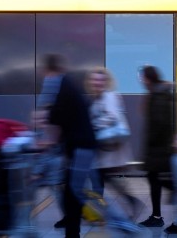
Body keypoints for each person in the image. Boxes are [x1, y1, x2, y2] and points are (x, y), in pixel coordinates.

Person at [42, 54, 98, 238]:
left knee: (74, 192)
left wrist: (46, 132)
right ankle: (72, 232)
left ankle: (119, 222)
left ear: (49, 70)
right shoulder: (67, 83)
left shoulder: (58, 83)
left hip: (81, 146)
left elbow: (54, 115)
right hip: (79, 146)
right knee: (71, 193)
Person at [85, 67, 144, 220]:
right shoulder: (97, 98)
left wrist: (93, 125)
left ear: (106, 82)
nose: (97, 83)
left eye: (101, 80)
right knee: (105, 179)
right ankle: (128, 204)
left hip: (111, 148)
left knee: (101, 178)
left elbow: (112, 117)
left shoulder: (109, 96)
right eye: (95, 80)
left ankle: (110, 211)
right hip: (106, 148)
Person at [138, 65, 176, 227]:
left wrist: (151, 144)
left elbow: (160, 124)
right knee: (156, 180)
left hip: (159, 149)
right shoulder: (158, 93)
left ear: (147, 79)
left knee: (161, 182)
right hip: (160, 149)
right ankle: (157, 216)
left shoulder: (158, 95)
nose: (141, 81)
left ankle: (158, 216)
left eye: (142, 77)